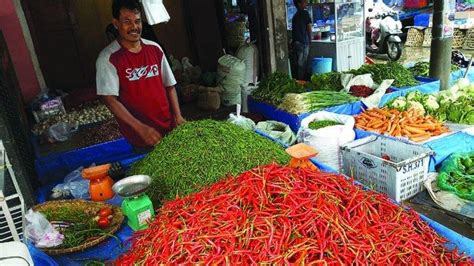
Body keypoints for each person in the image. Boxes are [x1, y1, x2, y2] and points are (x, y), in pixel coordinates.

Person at [96, 0, 185, 150]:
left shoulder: (154, 49)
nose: (134, 27)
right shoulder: (108, 58)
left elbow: (169, 85)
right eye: (127, 22)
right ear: (116, 23)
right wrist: (140, 128)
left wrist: (178, 116)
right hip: (139, 137)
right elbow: (110, 100)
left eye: (137, 21)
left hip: (169, 130)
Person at [291, 0, 312, 80]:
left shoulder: (295, 16)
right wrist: (310, 40)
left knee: (298, 64)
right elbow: (309, 27)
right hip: (303, 42)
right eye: (304, 2)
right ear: (299, 4)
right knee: (302, 65)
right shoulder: (305, 13)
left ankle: (298, 81)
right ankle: (301, 83)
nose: (306, 3)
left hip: (296, 42)